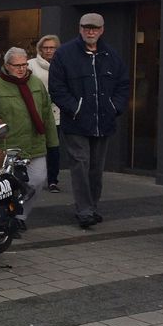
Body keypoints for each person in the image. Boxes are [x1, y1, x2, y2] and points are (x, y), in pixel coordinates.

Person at [49, 13, 131, 229]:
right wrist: (75, 108)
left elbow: (123, 85)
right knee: (80, 164)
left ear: (102, 29)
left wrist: (114, 107)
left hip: (103, 122)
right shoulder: (64, 54)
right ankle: (84, 210)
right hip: (76, 123)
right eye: (86, 27)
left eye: (94, 28)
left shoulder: (111, 55)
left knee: (96, 168)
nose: (90, 31)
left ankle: (92, 207)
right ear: (80, 28)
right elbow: (57, 88)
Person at [0, 47, 58, 232]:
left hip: (35, 144)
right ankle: (7, 217)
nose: (21, 69)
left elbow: (46, 113)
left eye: (24, 64)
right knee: (8, 185)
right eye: (17, 65)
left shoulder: (35, 83)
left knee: (37, 181)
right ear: (7, 65)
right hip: (8, 147)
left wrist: (52, 142)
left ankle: (20, 215)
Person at [29, 35, 62, 193]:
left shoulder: (63, 64)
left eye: (52, 48)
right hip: (36, 112)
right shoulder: (31, 65)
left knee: (54, 147)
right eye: (46, 48)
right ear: (40, 49)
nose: (49, 51)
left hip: (57, 112)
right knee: (35, 146)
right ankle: (32, 178)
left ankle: (52, 180)